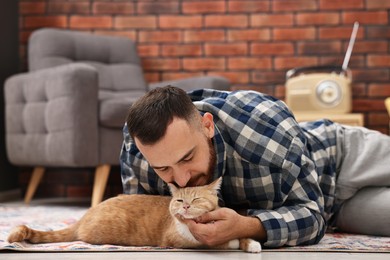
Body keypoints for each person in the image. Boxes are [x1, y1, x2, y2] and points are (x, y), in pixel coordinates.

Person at [120, 86, 390, 248]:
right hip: (335, 210)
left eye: (187, 158)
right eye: (163, 169)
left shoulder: (266, 130)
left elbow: (311, 216)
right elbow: (140, 223)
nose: (180, 179)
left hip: (343, 155)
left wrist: (247, 226)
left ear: (207, 126)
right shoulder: (138, 153)